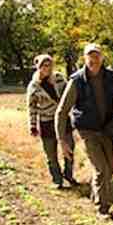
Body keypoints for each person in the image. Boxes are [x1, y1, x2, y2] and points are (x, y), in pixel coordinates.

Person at [55, 43, 113, 219]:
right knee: (101, 169)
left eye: (97, 55)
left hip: (107, 128)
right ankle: (102, 209)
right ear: (85, 58)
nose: (94, 59)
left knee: (110, 169)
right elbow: (61, 111)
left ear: (102, 57)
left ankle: (96, 195)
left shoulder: (112, 77)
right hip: (87, 130)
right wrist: (62, 140)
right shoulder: (76, 81)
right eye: (90, 56)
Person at [26, 54, 77, 189]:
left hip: (63, 119)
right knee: (51, 153)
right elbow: (31, 107)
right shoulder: (34, 86)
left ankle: (69, 175)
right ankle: (57, 180)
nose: (47, 68)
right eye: (44, 65)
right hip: (46, 121)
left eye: (49, 65)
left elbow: (70, 93)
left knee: (70, 148)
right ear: (38, 67)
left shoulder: (59, 78)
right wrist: (32, 125)